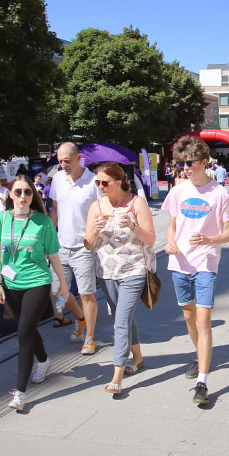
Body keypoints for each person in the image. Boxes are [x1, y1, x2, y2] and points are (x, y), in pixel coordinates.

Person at [162, 136, 229, 405]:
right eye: (182, 163)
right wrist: (170, 242)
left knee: (203, 321)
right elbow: (172, 225)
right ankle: (200, 355)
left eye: (191, 163)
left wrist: (209, 240)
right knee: (188, 317)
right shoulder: (178, 191)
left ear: (205, 163)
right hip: (179, 264)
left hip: (205, 262)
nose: (186, 168)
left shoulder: (219, 193)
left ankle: (202, 382)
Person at [0, 175, 69, 411]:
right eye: (19, 192)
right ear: (10, 194)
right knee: (28, 328)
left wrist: (61, 285)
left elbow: (53, 256)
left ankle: (20, 393)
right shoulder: (0, 221)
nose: (23, 196)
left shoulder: (42, 222)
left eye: (28, 192)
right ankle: (43, 360)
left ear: (34, 196)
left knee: (23, 333)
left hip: (37, 282)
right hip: (11, 285)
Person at [84, 162, 156, 395]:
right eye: (98, 182)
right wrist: (94, 230)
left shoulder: (136, 203)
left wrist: (134, 227)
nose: (101, 186)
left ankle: (117, 374)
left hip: (133, 270)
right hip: (106, 272)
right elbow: (88, 243)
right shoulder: (96, 206)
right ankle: (138, 356)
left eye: (105, 182)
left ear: (119, 182)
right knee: (121, 315)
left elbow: (151, 239)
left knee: (121, 321)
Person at [49, 142, 99, 353]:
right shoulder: (58, 179)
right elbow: (54, 209)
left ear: (79, 158)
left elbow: (101, 212)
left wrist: (94, 237)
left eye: (67, 161)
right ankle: (81, 319)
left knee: (86, 294)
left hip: (83, 247)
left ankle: (89, 337)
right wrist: (48, 237)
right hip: (60, 245)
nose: (63, 165)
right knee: (56, 293)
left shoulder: (94, 182)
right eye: (60, 161)